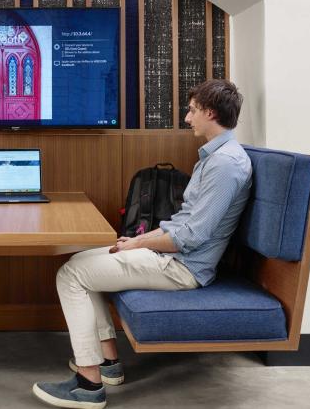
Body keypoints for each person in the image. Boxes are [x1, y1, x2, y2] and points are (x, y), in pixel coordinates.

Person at [32, 79, 252, 409]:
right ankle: (108, 362)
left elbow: (190, 237)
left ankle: (89, 384)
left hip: (183, 267)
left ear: (210, 113)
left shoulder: (225, 165)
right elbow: (181, 224)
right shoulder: (215, 157)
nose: (187, 118)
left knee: (70, 276)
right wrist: (137, 240)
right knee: (79, 261)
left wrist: (137, 247)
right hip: (173, 256)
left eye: (192, 110)